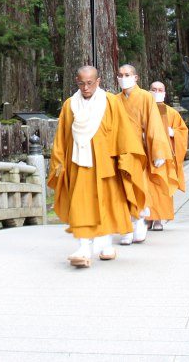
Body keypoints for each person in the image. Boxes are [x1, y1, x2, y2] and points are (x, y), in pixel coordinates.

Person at [48, 66, 149, 268]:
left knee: (107, 204)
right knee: (81, 204)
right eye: (81, 83)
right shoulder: (69, 105)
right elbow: (62, 138)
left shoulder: (110, 102)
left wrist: (125, 160)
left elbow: (123, 132)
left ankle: (105, 245)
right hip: (78, 163)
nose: (85, 88)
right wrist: (59, 162)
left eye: (89, 83)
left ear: (98, 81)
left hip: (105, 164)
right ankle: (84, 247)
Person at [115, 64, 172, 245]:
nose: (123, 77)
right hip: (120, 149)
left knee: (138, 185)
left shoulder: (146, 97)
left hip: (140, 150)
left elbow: (154, 124)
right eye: (120, 75)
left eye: (127, 74)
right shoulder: (114, 100)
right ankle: (125, 225)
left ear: (136, 77)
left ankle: (139, 220)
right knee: (121, 188)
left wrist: (158, 151)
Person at [149, 81, 188, 231]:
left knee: (162, 189)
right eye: (154, 89)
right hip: (147, 156)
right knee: (148, 189)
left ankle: (159, 219)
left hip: (165, 158)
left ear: (165, 93)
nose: (157, 92)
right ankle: (148, 218)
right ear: (149, 91)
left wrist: (173, 133)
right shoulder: (145, 110)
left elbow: (182, 132)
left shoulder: (172, 113)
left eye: (160, 90)